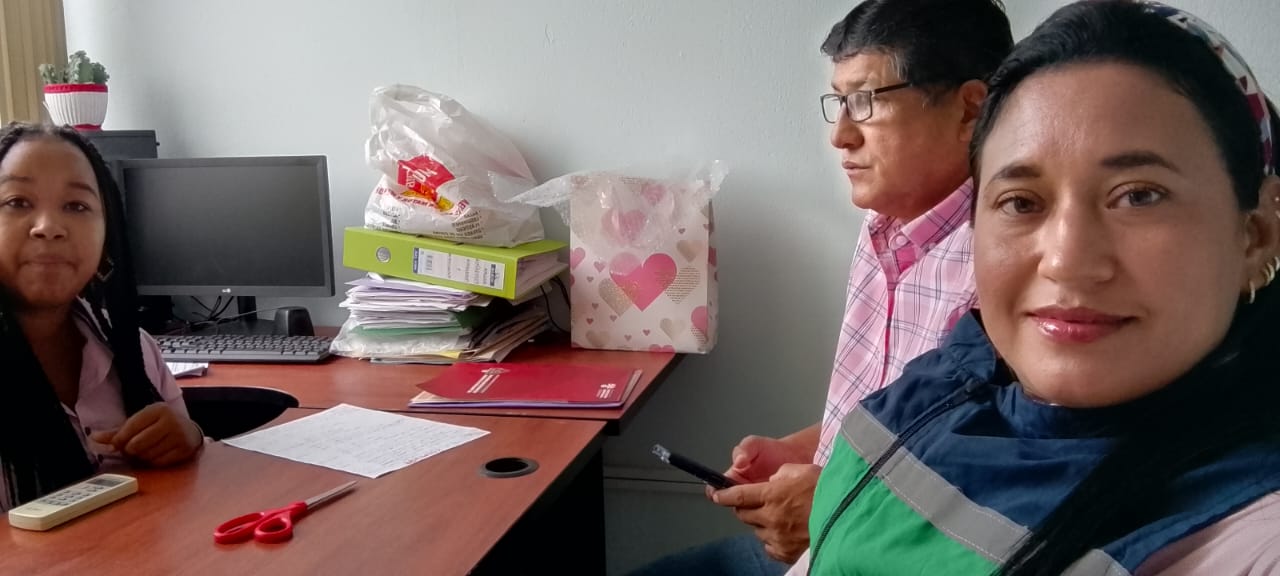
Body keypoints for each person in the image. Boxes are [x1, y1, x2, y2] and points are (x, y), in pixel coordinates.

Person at [807, 1, 1280, 573]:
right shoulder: (949, 378)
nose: (1065, 261)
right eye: (1021, 202)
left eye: (1139, 196)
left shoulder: (1246, 531)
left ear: (1256, 233)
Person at [631, 1, 1013, 574]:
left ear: (970, 109)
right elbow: (885, 418)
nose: (840, 136)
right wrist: (809, 449)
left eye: (866, 101)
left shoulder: (1009, 263)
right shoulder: (882, 228)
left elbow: (996, 505)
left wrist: (834, 508)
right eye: (839, 102)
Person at [0, 122, 203, 511]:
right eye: (18, 202)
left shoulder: (136, 351)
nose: (48, 227)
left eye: (76, 206)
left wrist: (189, 437)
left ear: (107, 239)